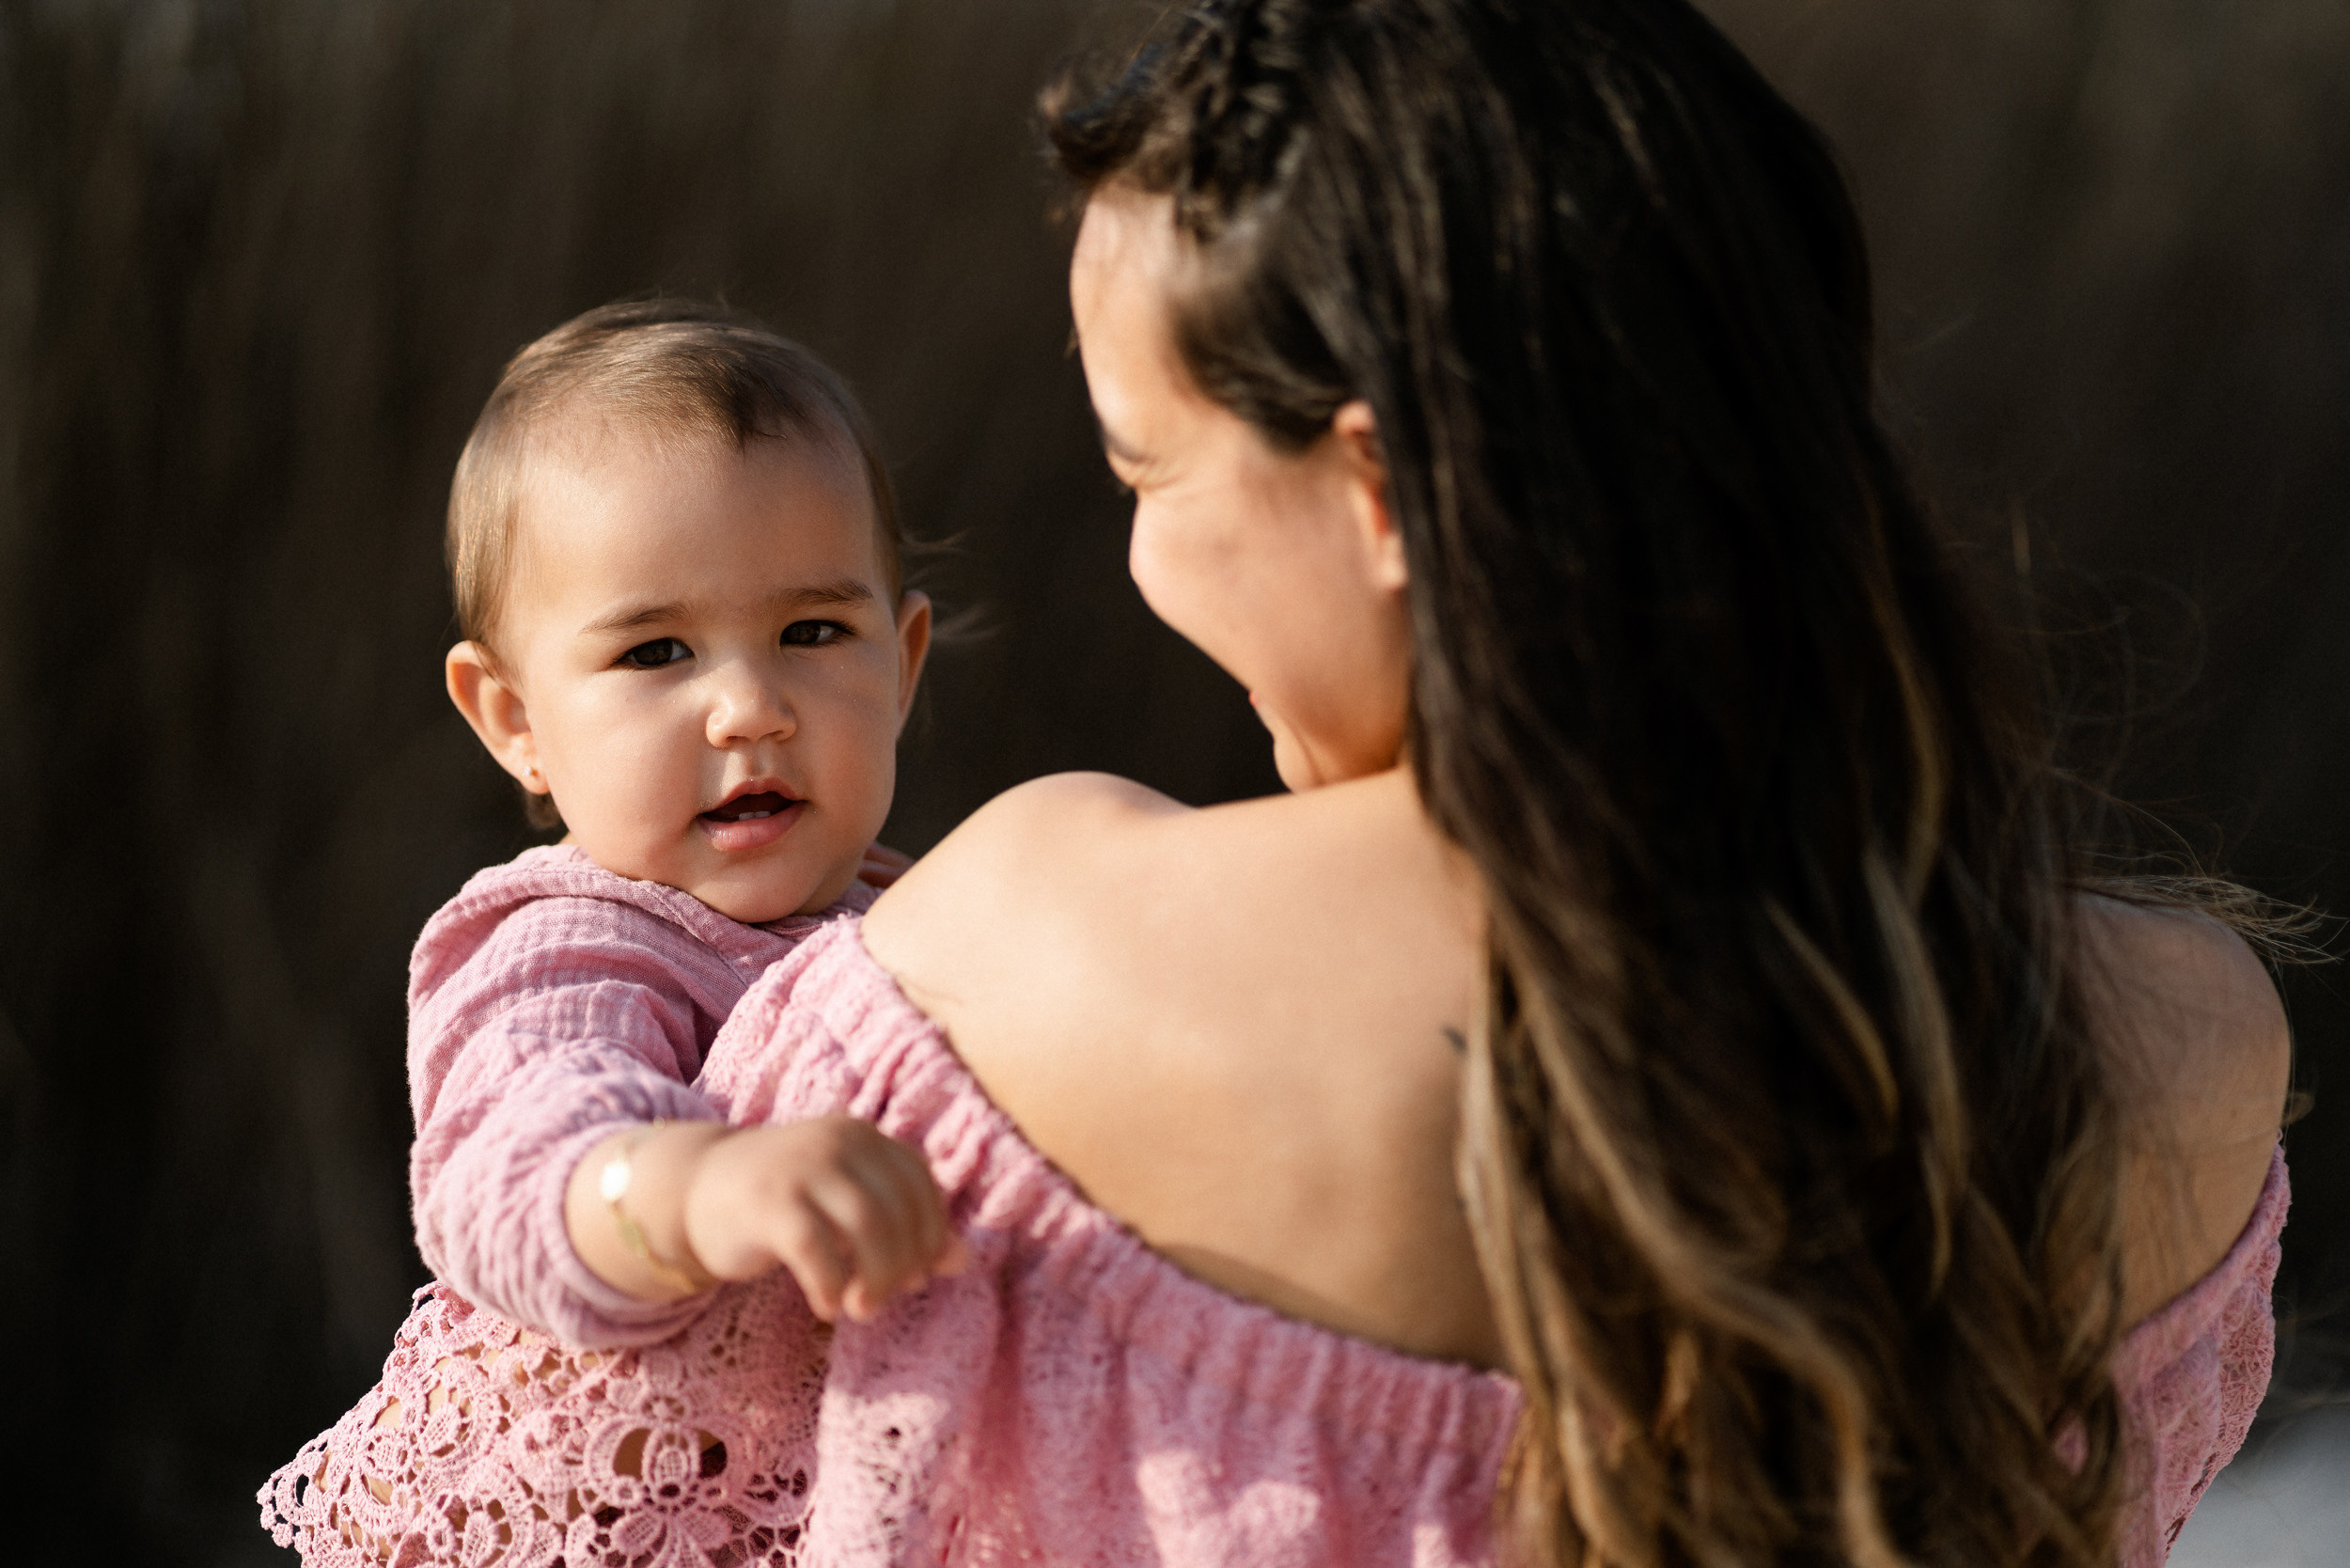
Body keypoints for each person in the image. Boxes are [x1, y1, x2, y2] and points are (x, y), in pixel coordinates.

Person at [279, 3, 2295, 1565]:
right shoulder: (2180, 1053)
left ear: (1376, 485)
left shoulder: (1027, 945)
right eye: (650, 651)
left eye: (1146, 474)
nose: (1143, 568)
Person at [258, 300, 962, 1563]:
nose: (750, 707)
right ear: (513, 716)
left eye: (813, 632)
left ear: (902, 665)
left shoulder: (925, 926)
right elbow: (514, 1156)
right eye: (656, 652)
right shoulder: (579, 941)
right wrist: (695, 1186)